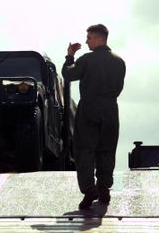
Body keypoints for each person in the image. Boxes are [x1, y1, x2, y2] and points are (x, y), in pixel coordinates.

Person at [62, 24, 126, 209]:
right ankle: (104, 188)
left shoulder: (86, 60)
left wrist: (69, 56)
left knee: (84, 151)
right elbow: (119, 87)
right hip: (111, 109)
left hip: (89, 108)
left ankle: (90, 191)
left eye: (89, 38)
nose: (86, 41)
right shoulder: (119, 61)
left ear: (98, 39)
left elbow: (68, 75)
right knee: (106, 150)